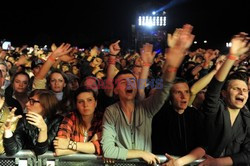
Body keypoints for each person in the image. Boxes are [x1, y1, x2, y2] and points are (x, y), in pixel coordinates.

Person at [101, 24, 195, 165]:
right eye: (123, 82)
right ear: (115, 90)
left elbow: (164, 87)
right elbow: (108, 151)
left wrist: (171, 65)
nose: (129, 84)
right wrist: (141, 153)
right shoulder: (111, 112)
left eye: (132, 81)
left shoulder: (147, 107)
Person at [199, 33, 250, 165]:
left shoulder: (247, 119)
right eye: (236, 89)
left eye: (244, 90)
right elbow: (214, 89)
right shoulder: (215, 110)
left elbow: (248, 154)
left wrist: (218, 162)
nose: (241, 92)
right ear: (224, 94)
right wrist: (232, 56)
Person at [3, 89, 63, 156]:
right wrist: (7, 130)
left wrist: (43, 130)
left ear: (45, 104)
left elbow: (40, 151)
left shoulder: (57, 121)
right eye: (29, 100)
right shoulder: (24, 119)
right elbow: (12, 150)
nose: (27, 104)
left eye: (32, 101)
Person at [53, 87, 103, 156]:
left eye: (89, 100)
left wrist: (69, 145)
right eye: (80, 102)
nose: (85, 105)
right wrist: (89, 145)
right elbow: (59, 149)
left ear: (95, 103)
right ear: (76, 105)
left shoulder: (102, 119)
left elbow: (101, 148)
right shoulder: (71, 117)